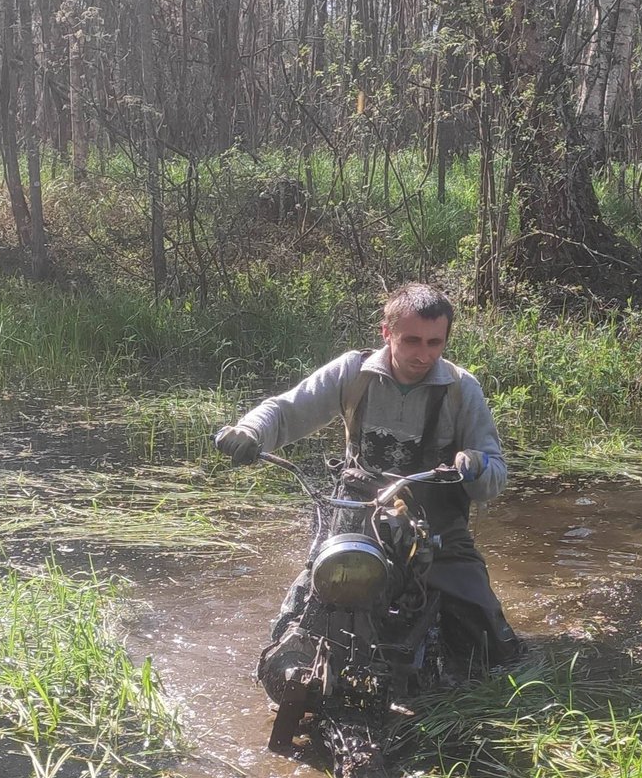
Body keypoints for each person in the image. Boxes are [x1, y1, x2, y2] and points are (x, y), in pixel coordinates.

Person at [213, 282, 524, 665]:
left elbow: (495, 475)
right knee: (301, 611)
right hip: (357, 516)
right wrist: (250, 431)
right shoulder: (353, 373)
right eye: (411, 340)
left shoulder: (462, 389)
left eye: (434, 343)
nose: (423, 354)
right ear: (386, 332)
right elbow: (285, 410)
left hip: (435, 527)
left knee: (489, 637)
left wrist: (474, 465)